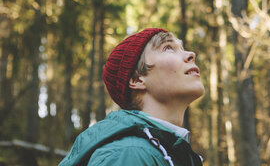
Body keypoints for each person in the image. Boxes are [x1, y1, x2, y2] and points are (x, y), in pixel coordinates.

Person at [59, 28, 205, 166]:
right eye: (167, 47)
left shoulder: (158, 150)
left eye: (181, 48)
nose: (191, 54)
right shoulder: (129, 154)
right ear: (137, 80)